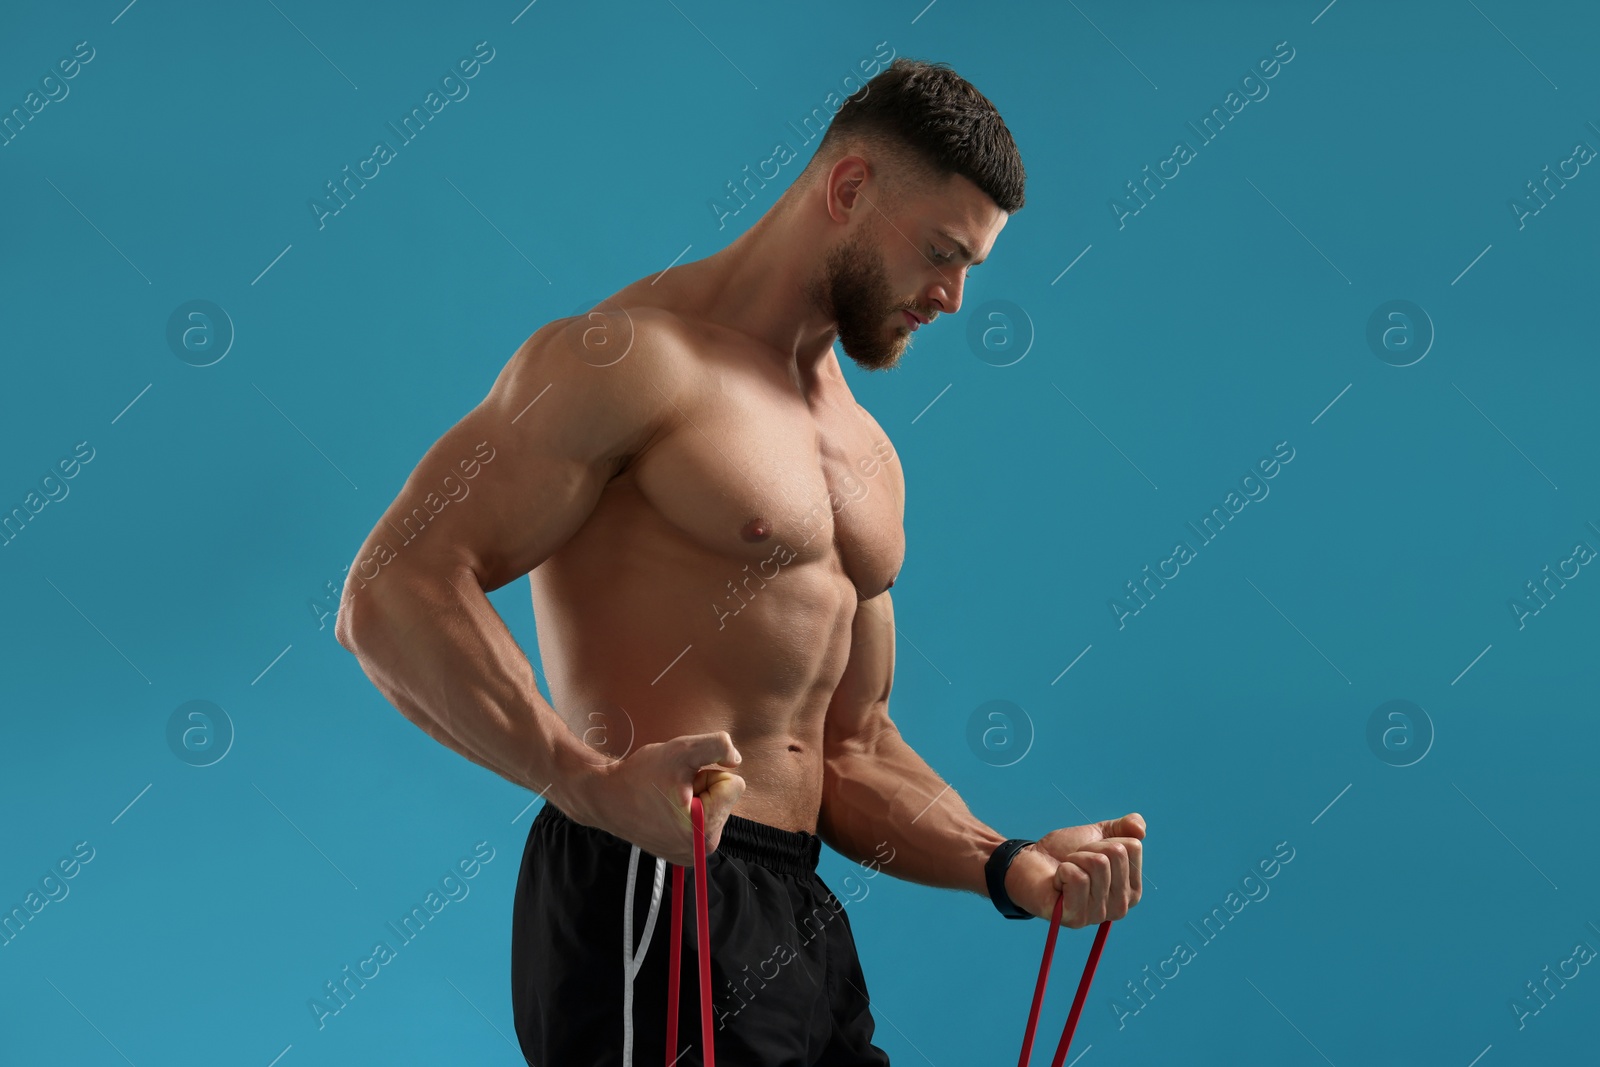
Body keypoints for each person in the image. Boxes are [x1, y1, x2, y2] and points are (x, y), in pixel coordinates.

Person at [336, 56, 1146, 1066]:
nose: (951, 295)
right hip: (647, 885)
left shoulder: (866, 456)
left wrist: (1008, 862)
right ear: (848, 189)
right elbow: (392, 587)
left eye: (972, 267)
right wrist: (584, 781)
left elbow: (848, 749)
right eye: (942, 252)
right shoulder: (631, 361)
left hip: (795, 907)